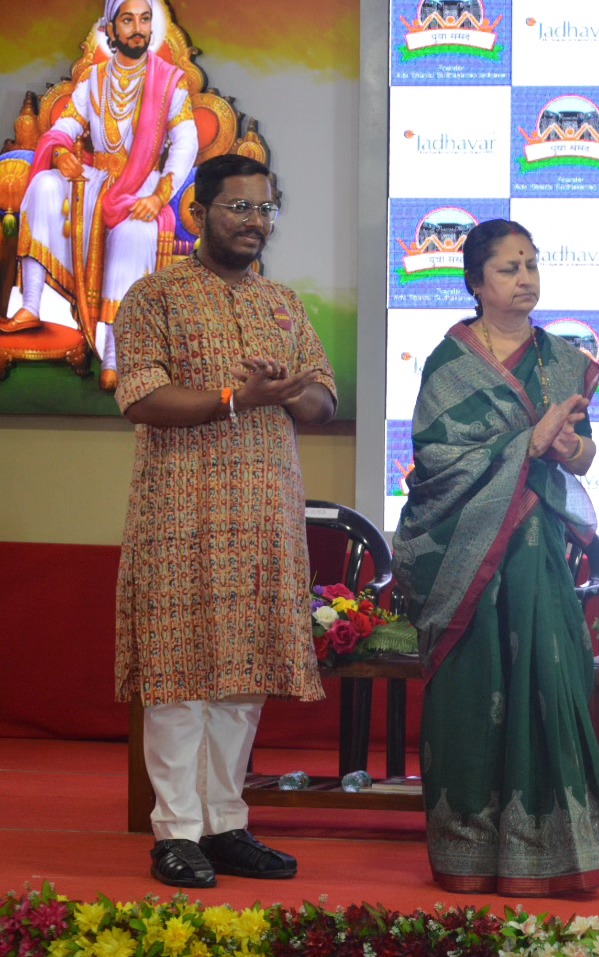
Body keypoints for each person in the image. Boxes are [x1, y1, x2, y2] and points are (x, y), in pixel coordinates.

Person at [113, 153, 336, 888]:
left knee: (243, 676)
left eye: (265, 209)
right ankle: (176, 833)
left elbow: (323, 401)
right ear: (197, 212)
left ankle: (225, 823)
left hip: (264, 514)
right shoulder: (153, 296)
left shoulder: (283, 304)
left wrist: (288, 391)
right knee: (178, 676)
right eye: (239, 207)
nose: (255, 222)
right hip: (179, 512)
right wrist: (236, 399)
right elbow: (141, 395)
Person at [392, 219, 599, 895]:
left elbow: (584, 454)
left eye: (531, 265)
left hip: (538, 556)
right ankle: (468, 850)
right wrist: (527, 443)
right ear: (475, 282)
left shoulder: (563, 360)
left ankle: (554, 849)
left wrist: (566, 446)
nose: (525, 279)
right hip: (467, 567)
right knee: (475, 691)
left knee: (552, 679)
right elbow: (436, 461)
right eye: (508, 268)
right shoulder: (450, 364)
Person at [2, 0, 198, 393]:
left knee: (131, 233)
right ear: (111, 30)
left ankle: (114, 353)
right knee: (43, 184)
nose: (137, 28)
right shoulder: (94, 79)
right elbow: (65, 127)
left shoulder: (169, 82)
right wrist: (61, 154)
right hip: (97, 179)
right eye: (128, 20)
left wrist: (160, 196)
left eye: (144, 20)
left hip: (143, 185)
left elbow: (186, 142)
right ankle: (31, 305)